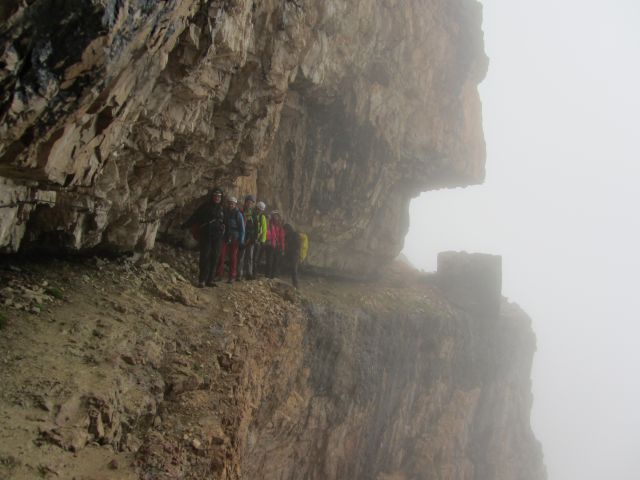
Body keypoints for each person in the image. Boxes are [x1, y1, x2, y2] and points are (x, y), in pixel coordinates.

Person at [180, 187, 225, 287]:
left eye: (219, 196)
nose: (217, 198)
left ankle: (211, 279)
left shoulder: (222, 208)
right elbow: (195, 216)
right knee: (205, 256)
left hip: (217, 236)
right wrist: (185, 225)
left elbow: (226, 222)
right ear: (212, 196)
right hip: (206, 235)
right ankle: (202, 280)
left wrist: (228, 234)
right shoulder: (205, 206)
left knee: (215, 257)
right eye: (216, 196)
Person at [215, 196, 245, 283]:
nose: (231, 205)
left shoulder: (238, 214)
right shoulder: (225, 212)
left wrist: (241, 241)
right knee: (221, 255)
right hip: (225, 236)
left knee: (233, 257)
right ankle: (218, 275)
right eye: (229, 203)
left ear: (235, 204)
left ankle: (232, 276)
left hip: (234, 237)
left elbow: (242, 229)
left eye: (232, 203)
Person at [238, 195, 257, 280]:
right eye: (248, 202)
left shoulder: (254, 214)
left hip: (251, 237)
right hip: (243, 237)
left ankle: (249, 274)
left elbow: (256, 227)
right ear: (245, 203)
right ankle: (239, 274)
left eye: (251, 202)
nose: (249, 204)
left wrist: (254, 238)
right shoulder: (241, 212)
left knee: (250, 257)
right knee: (241, 256)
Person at [265, 210, 285, 279]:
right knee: (269, 261)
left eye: (277, 216)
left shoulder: (279, 226)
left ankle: (273, 276)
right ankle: (267, 275)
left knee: (275, 262)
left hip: (277, 246)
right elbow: (267, 234)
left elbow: (281, 237)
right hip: (270, 245)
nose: (276, 217)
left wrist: (282, 247)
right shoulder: (269, 225)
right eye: (275, 215)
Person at [252, 201, 268, 277]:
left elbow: (264, 230)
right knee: (251, 257)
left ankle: (254, 273)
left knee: (255, 257)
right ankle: (250, 272)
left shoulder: (262, 217)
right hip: (253, 238)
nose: (259, 211)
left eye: (260, 210)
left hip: (258, 240)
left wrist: (262, 241)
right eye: (258, 209)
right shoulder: (253, 215)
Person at [283, 223, 301, 288]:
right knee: (292, 268)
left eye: (286, 230)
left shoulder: (295, 235)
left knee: (294, 268)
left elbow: (297, 245)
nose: (285, 231)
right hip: (290, 253)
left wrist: (289, 248)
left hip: (294, 254)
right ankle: (294, 283)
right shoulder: (287, 235)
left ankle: (295, 284)